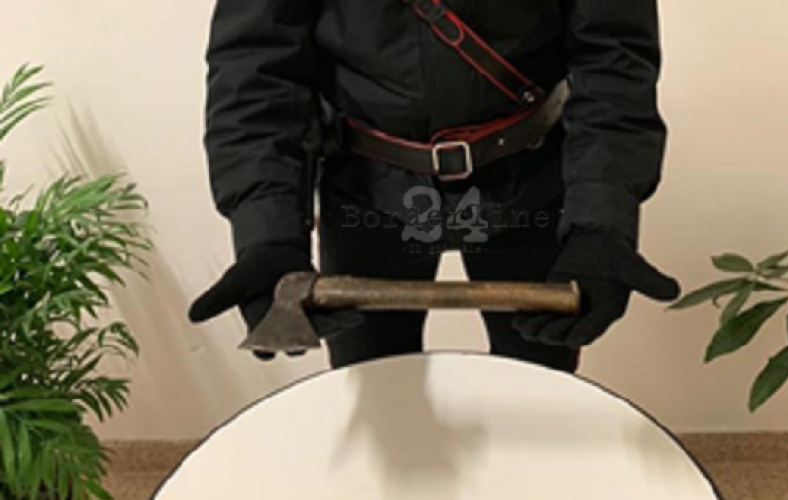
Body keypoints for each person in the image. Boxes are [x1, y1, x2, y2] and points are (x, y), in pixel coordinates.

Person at [187, 0, 680, 373]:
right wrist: (268, 234)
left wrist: (601, 220)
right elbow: (258, 66)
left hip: (529, 183)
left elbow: (613, 57)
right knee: (378, 400)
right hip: (366, 191)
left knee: (539, 393)